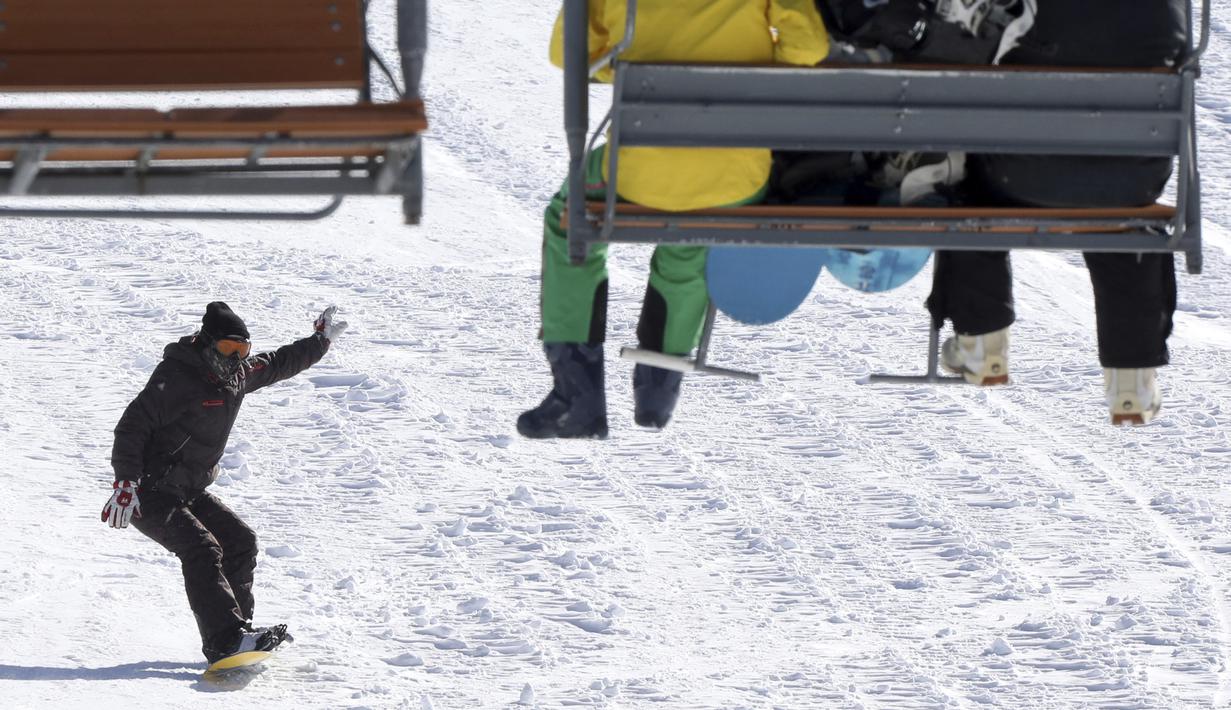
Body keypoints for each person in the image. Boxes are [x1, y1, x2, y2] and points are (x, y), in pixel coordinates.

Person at [517, 1, 831, 439]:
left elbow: (567, 54)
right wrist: (757, 70)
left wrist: (626, 69)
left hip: (639, 170)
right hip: (733, 179)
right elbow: (808, 47)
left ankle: (577, 394)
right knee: (694, 231)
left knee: (569, 221)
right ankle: (658, 387)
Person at [931, 0, 1187, 425]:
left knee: (967, 187)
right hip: (1132, 177)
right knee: (1122, 220)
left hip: (1021, 177)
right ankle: (1132, 381)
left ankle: (982, 342)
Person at [102, 302, 348, 664]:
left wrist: (320, 341)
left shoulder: (237, 376)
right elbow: (131, 427)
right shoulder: (176, 377)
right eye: (227, 349)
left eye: (241, 350)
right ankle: (224, 640)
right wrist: (125, 482)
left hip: (187, 489)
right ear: (206, 343)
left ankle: (239, 632)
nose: (234, 358)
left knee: (240, 541)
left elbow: (279, 361)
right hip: (147, 492)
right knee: (202, 549)